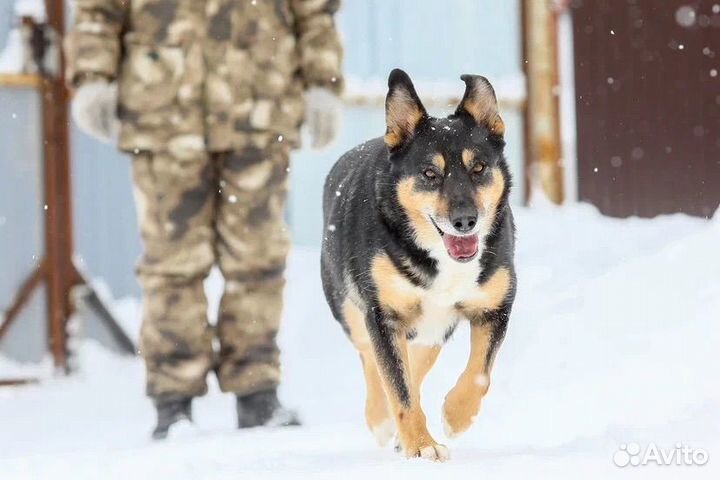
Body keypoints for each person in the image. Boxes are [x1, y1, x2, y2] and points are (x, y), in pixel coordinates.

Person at [65, 0, 344, 439]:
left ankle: (256, 392)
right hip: (165, 112)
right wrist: (92, 77)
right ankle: (173, 402)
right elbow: (99, 10)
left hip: (259, 104)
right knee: (171, 263)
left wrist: (322, 81)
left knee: (258, 258)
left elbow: (315, 10)